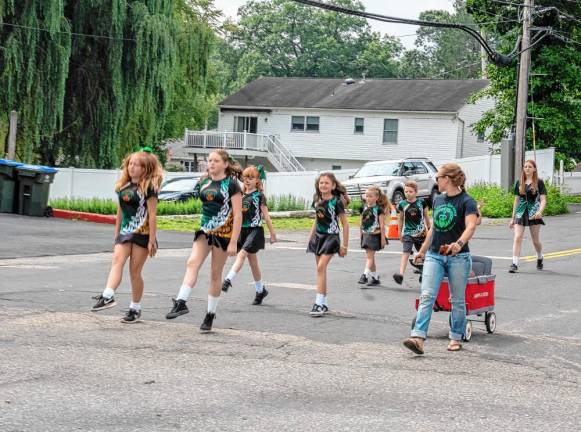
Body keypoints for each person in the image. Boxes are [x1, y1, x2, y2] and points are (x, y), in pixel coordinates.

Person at [403, 163, 478, 355]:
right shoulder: (438, 200)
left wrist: (458, 244)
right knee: (427, 295)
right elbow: (434, 228)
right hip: (435, 255)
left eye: (438, 178)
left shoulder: (467, 201)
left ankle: (455, 337)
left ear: (448, 179)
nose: (436, 181)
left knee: (457, 300)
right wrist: (422, 250)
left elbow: (471, 226)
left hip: (458, 257)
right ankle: (418, 338)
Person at [165, 150, 242, 332]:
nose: (212, 163)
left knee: (215, 274)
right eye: (210, 161)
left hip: (223, 233)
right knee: (192, 262)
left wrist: (233, 242)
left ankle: (210, 314)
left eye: (216, 161)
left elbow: (238, 215)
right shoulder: (204, 182)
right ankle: (181, 302)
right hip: (204, 230)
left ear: (225, 164)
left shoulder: (231, 185)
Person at [91, 148, 162, 324]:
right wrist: (116, 234)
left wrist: (152, 240)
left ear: (145, 168)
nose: (132, 167)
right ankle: (108, 295)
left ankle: (135, 308)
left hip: (142, 234)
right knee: (117, 262)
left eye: (137, 165)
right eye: (130, 164)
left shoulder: (149, 188)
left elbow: (152, 214)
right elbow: (120, 212)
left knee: (135, 272)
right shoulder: (123, 186)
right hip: (125, 232)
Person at [222, 165, 277, 305]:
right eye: (245, 177)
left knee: (241, 255)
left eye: (251, 178)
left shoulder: (259, 196)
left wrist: (273, 233)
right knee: (253, 262)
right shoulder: (239, 194)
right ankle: (260, 290)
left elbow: (266, 216)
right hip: (242, 230)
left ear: (257, 180)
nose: (247, 180)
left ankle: (228, 280)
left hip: (254, 230)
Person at [307, 172, 350, 317]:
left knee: (320, 268)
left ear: (333, 185)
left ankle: (318, 303)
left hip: (331, 238)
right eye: (321, 183)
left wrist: (344, 245)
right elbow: (316, 220)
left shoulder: (336, 202)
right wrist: (310, 237)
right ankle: (324, 303)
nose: (323, 185)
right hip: (318, 238)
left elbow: (345, 223)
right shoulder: (317, 200)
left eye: (326, 183)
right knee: (321, 270)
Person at [509, 159, 547, 273]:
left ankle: (540, 256)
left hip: (534, 212)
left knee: (535, 241)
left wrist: (540, 211)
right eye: (525, 167)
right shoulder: (519, 182)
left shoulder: (539, 182)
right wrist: (512, 218)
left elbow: (543, 200)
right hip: (521, 212)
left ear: (534, 169)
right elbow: (516, 201)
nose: (527, 169)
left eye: (530, 167)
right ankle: (514, 263)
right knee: (517, 237)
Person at [393, 181, 430, 285]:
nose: (408, 193)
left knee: (423, 255)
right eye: (406, 191)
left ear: (416, 192)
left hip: (421, 233)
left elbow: (426, 216)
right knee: (406, 253)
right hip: (408, 233)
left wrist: (429, 228)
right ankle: (400, 275)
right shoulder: (402, 204)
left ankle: (424, 272)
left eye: (410, 191)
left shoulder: (422, 202)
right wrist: (399, 233)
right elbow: (401, 219)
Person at [358, 186, 389, 287]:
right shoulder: (364, 207)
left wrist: (383, 238)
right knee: (370, 257)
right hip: (366, 235)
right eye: (366, 196)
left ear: (376, 197)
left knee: (369, 257)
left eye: (370, 196)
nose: (368, 198)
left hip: (375, 236)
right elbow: (361, 222)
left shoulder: (378, 209)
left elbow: (382, 225)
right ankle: (375, 278)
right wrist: (361, 235)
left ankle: (365, 275)